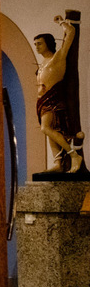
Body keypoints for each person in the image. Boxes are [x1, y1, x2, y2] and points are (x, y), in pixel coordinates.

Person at [34, 14, 84, 173]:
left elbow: (70, 34)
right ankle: (58, 163)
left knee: (46, 128)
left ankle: (74, 155)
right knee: (49, 131)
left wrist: (61, 22)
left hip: (54, 99)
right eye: (35, 44)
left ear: (48, 43)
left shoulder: (58, 57)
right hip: (42, 101)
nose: (37, 46)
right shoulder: (42, 63)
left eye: (39, 43)